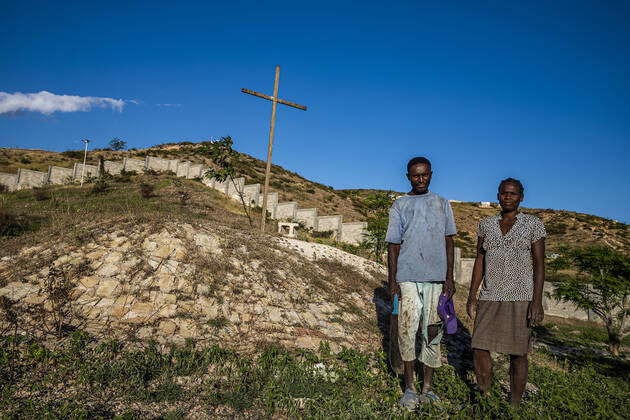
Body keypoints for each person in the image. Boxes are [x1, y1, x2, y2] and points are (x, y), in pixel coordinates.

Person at [385, 156, 457, 410]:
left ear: (431, 174)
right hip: (407, 278)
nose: (420, 179)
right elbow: (393, 246)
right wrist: (392, 280)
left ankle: (428, 388)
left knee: (433, 331)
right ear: (408, 177)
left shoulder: (441, 203)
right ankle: (409, 389)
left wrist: (450, 277)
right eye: (415, 175)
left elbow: (449, 241)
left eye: (424, 174)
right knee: (406, 329)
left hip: (436, 279)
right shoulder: (400, 205)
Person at [466, 178, 546, 406]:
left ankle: (514, 404)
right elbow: (479, 260)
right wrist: (473, 295)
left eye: (513, 194)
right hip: (490, 295)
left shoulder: (533, 225)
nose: (508, 197)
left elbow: (540, 264)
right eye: (504, 193)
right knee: (479, 346)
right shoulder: (486, 225)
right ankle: (485, 395)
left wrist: (536, 302)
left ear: (521, 197)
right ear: (498, 195)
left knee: (518, 353)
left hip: (521, 296)